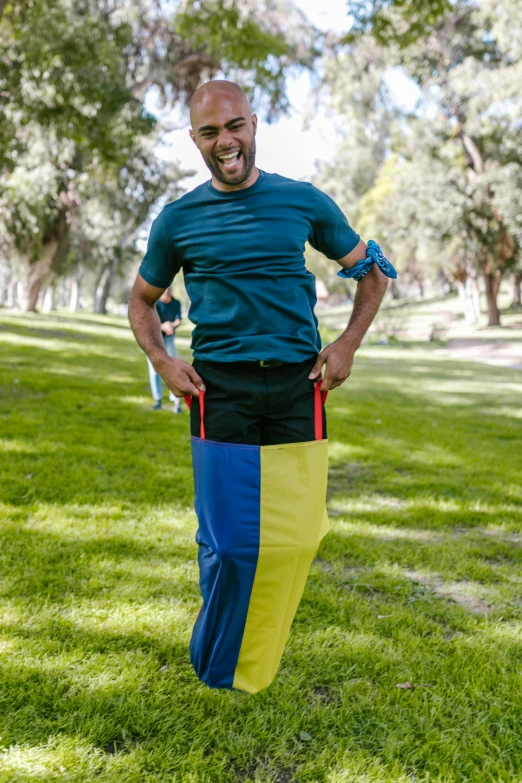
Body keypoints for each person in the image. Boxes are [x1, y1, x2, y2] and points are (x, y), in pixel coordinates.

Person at [128, 80, 396, 691]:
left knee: (299, 534)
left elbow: (372, 273)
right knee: (225, 541)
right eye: (209, 132)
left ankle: (241, 645)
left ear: (254, 124)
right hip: (216, 389)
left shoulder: (301, 201)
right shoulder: (178, 218)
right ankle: (222, 660)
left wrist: (347, 343)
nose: (225, 142)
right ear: (194, 140)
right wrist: (166, 364)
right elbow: (141, 303)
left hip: (300, 387)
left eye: (233, 126)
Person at [146, 287, 183, 413]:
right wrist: (162, 326)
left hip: (169, 340)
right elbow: (149, 321)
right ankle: (158, 400)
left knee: (173, 369)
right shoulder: (155, 303)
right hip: (154, 340)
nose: (167, 293)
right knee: (154, 370)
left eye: (169, 290)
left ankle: (176, 402)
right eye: (165, 290)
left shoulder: (176, 303)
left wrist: (171, 325)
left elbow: (178, 320)